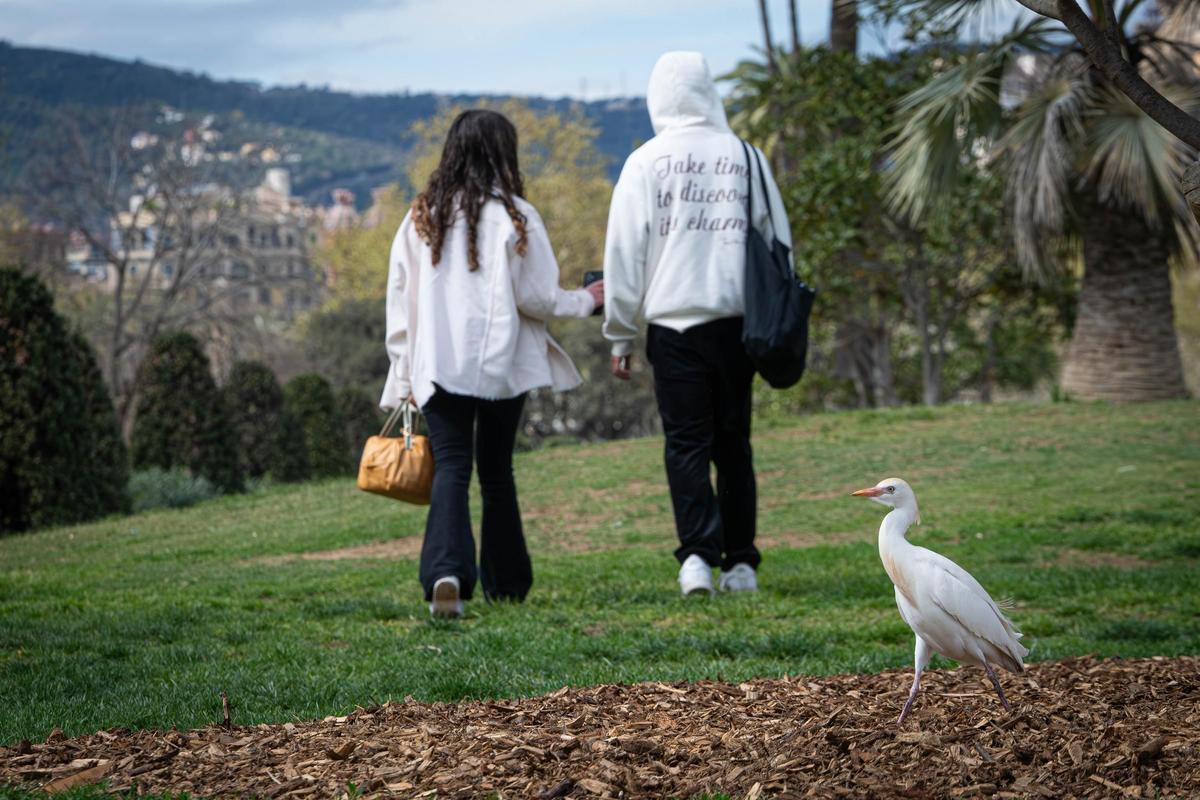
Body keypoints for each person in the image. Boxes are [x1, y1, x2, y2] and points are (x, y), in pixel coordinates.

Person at [380, 109, 604, 618]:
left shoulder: (421, 217)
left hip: (438, 365)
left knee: (452, 468)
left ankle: (446, 574)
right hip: (504, 367)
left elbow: (400, 301)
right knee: (497, 470)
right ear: (505, 152)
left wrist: (404, 369)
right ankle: (507, 584)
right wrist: (587, 299)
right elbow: (539, 298)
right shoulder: (517, 216)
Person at [602, 52, 793, 597]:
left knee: (686, 444)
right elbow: (780, 244)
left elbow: (623, 254)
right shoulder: (747, 158)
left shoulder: (645, 162)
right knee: (735, 444)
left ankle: (696, 561)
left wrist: (619, 333)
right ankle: (742, 565)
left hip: (673, 325)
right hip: (740, 324)